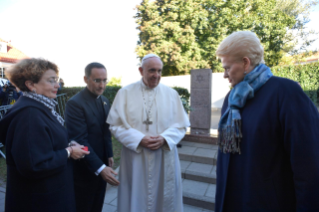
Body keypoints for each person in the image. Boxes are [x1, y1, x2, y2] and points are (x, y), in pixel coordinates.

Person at [214, 31, 319, 211]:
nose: (224, 74)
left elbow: (308, 167)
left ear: (245, 63)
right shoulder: (231, 98)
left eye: (227, 67)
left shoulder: (286, 93)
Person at [0, 58, 89, 212]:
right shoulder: (29, 115)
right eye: (51, 81)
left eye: (56, 80)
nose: (57, 85)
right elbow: (34, 165)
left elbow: (42, 145)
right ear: (31, 84)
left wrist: (67, 146)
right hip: (41, 201)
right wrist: (69, 152)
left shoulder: (39, 107)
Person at [107, 54, 190, 212]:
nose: (156, 75)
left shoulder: (171, 94)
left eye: (159, 71)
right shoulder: (125, 93)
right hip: (135, 157)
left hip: (163, 157)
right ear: (141, 70)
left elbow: (181, 125)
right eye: (152, 70)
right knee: (136, 198)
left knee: (164, 201)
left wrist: (165, 138)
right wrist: (138, 139)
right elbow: (115, 125)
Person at [65, 62, 119, 212]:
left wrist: (109, 154)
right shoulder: (75, 103)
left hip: (102, 164)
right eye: (97, 80)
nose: (102, 85)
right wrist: (100, 167)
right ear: (85, 79)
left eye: (104, 80)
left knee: (98, 205)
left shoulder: (105, 101)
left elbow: (105, 131)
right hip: (85, 168)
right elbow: (80, 141)